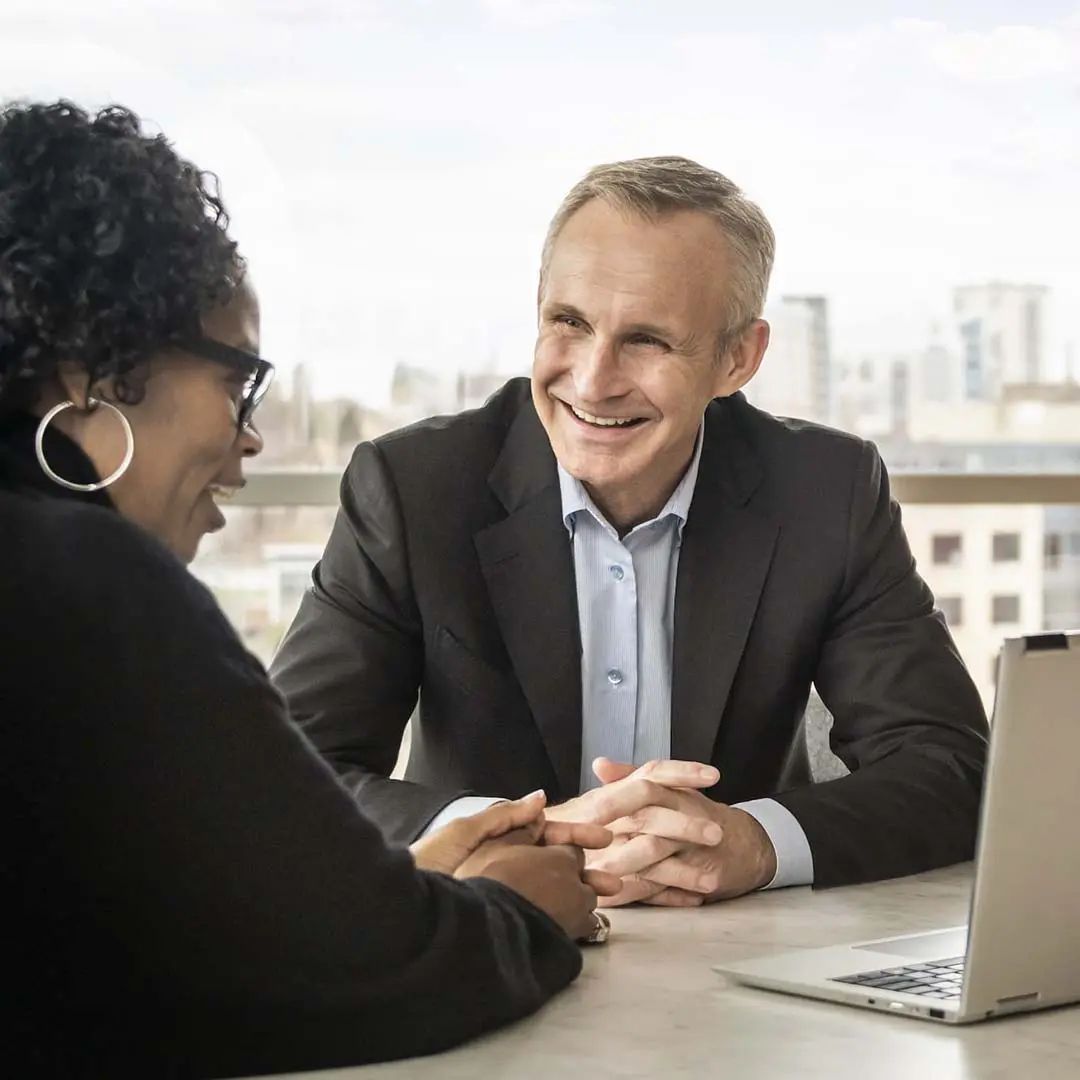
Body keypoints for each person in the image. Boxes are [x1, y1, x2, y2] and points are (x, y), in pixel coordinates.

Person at [0, 99, 618, 1080]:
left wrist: (393, 890)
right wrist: (519, 908)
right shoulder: (87, 583)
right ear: (94, 367)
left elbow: (117, 941)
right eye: (236, 383)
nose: (249, 440)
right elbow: (379, 983)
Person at [271, 155, 990, 908]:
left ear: (737, 359)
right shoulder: (413, 489)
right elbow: (284, 774)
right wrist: (510, 835)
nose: (592, 380)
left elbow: (951, 766)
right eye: (570, 323)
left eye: (647, 340)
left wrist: (753, 843)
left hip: (747, 944)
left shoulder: (825, 491)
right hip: (487, 934)